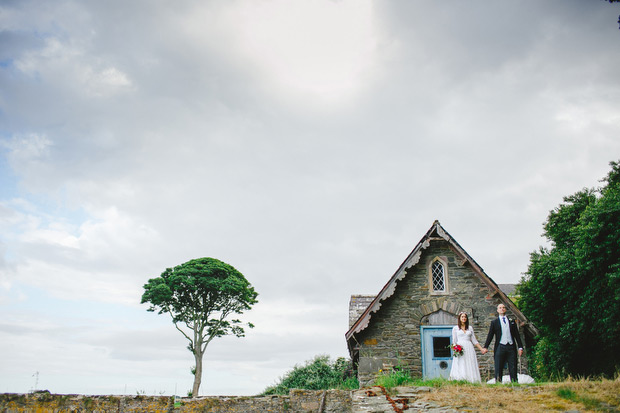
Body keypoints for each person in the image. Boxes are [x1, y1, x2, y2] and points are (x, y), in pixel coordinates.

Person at [483, 303, 524, 383]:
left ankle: (514, 382)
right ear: (497, 310)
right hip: (500, 346)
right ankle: (498, 382)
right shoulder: (494, 322)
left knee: (513, 365)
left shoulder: (511, 321)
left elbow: (517, 335)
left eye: (503, 308)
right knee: (498, 365)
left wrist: (520, 347)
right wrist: (485, 347)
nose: (502, 309)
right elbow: (490, 335)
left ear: (505, 309)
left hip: (511, 346)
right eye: (500, 308)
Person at [448, 312, 486, 383]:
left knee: (470, 362)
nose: (464, 318)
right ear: (459, 318)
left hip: (469, 347)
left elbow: (474, 340)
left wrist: (481, 349)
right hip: (460, 347)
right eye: (462, 317)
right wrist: (455, 349)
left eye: (465, 317)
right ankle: (460, 379)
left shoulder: (470, 328)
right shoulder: (455, 328)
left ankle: (472, 380)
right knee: (461, 362)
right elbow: (454, 341)